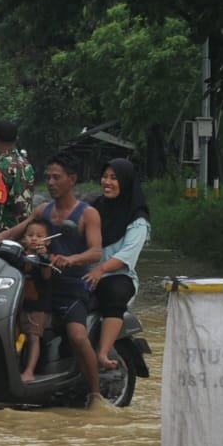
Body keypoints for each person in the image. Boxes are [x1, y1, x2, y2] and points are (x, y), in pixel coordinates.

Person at [0, 151, 108, 406]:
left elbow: (96, 251)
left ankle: (95, 394)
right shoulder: (43, 211)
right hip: (39, 285)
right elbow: (18, 230)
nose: (52, 183)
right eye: (48, 178)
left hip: (71, 289)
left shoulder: (87, 214)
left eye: (57, 177)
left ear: (72, 179)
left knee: (78, 336)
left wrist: (71, 260)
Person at [85, 158, 151, 370]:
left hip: (118, 275)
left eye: (114, 178)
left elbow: (127, 256)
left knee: (112, 293)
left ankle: (103, 353)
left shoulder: (138, 219)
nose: (108, 182)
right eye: (105, 176)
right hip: (88, 273)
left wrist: (101, 270)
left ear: (126, 181)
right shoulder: (94, 207)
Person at [0, 120, 36, 232]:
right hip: (26, 232)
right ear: (17, 139)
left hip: (6, 235)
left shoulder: (0, 169)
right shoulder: (27, 166)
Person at [17, 217, 54, 382]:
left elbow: (47, 275)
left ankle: (30, 370)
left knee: (33, 337)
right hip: (16, 305)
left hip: (37, 306)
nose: (34, 238)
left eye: (39, 236)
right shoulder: (18, 255)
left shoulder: (47, 258)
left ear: (48, 240)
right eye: (30, 235)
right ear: (24, 237)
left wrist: (44, 258)